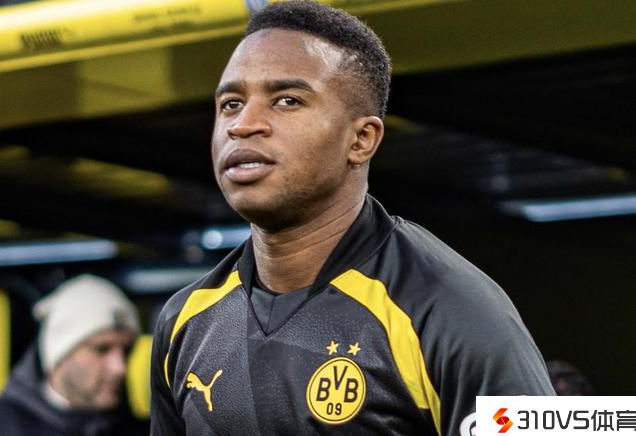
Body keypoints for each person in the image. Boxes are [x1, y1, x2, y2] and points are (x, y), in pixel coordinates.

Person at [150, 2, 555, 435]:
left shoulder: (451, 309)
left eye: (287, 101)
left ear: (361, 139)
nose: (243, 125)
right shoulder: (184, 320)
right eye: (231, 104)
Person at [0, 274, 149, 436]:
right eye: (101, 349)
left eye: (127, 351)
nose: (120, 368)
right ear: (59, 355)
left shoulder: (142, 429)